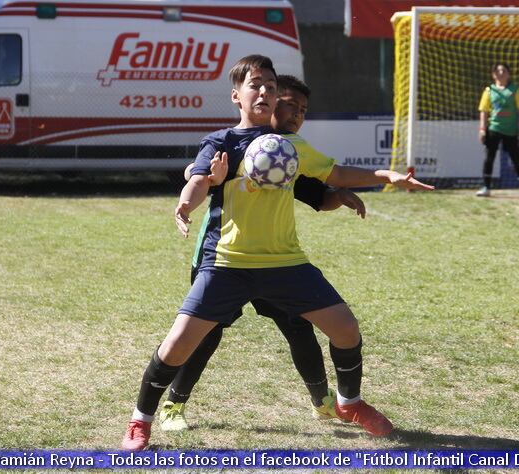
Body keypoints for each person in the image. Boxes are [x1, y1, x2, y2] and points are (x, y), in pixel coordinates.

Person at [121, 54, 432, 450]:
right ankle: (141, 420)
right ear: (237, 96)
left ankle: (348, 403)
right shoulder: (222, 142)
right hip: (229, 262)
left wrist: (384, 176)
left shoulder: (290, 145)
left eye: (270, 85)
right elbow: (198, 178)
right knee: (179, 343)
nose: (265, 91)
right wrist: (186, 202)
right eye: (256, 85)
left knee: (346, 329)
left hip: (285, 263)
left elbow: (334, 175)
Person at [158, 75, 366, 432]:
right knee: (207, 333)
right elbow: (198, 173)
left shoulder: (284, 154)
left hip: (274, 262)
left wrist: (339, 195)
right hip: (224, 257)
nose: (295, 114)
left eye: (302, 110)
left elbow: (315, 197)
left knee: (299, 326)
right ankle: (173, 405)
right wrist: (200, 181)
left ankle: (322, 402)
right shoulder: (235, 147)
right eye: (288, 104)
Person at [476, 63, 519, 198]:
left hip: (511, 130)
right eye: (497, 70)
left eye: (503, 70)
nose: (500, 72)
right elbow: (483, 111)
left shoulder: (515, 90)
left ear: (509, 74)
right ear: (493, 74)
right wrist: (482, 129)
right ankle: (486, 187)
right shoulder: (489, 90)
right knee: (489, 158)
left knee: (516, 159)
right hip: (494, 129)